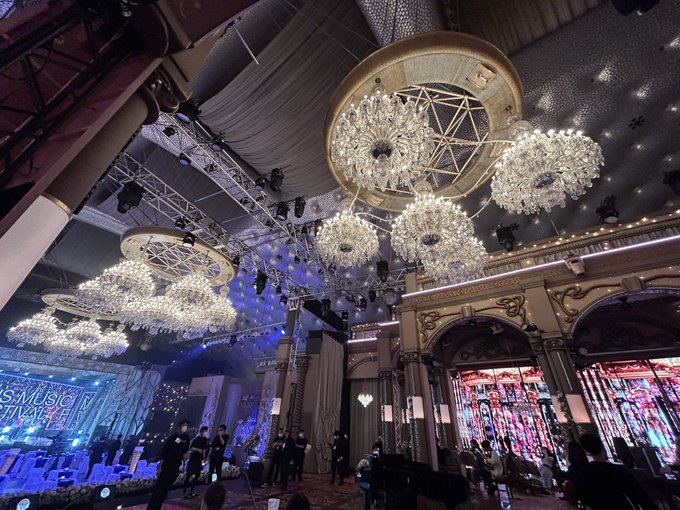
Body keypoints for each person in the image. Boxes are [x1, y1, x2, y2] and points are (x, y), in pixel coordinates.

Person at [571, 433, 658, 510]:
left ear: (585, 451)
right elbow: (640, 495)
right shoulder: (618, 470)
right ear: (602, 446)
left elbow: (585, 498)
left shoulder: (583, 473)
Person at [146, 420, 191, 510]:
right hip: (167, 465)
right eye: (183, 425)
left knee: (165, 490)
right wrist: (160, 467)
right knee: (158, 489)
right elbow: (164, 453)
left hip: (175, 466)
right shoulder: (172, 438)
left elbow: (184, 452)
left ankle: (158, 506)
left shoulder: (186, 439)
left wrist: (184, 464)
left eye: (186, 425)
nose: (185, 427)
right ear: (179, 426)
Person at [183, 425, 210, 498]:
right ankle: (184, 491)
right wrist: (198, 450)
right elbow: (191, 448)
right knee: (189, 475)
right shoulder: (196, 439)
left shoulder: (205, 440)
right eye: (205, 431)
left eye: (206, 431)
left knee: (197, 475)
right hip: (193, 459)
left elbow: (205, 449)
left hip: (199, 460)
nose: (205, 433)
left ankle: (192, 491)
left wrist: (205, 458)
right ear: (201, 431)